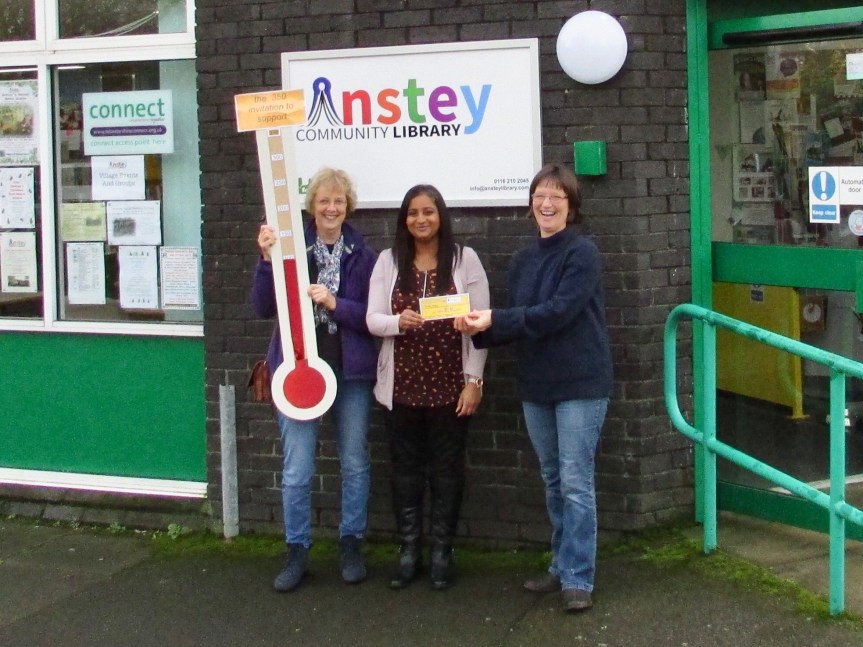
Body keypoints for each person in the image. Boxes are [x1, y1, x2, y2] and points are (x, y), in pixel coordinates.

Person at [455, 163, 613, 613]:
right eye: (540, 196)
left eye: (556, 197)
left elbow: (557, 313)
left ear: (571, 206)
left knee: (576, 482)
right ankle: (561, 566)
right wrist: (477, 328)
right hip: (537, 383)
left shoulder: (582, 254)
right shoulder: (523, 260)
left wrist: (493, 320)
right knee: (553, 479)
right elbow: (522, 321)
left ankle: (578, 577)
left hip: (580, 382)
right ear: (531, 204)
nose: (547, 204)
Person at [251, 167, 377, 592]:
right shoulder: (289, 247)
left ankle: (351, 544)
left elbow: (373, 317)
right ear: (312, 206)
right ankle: (297, 550)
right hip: (298, 369)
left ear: (348, 206)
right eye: (324, 201)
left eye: (338, 201)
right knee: (298, 467)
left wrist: (336, 303)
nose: (331, 208)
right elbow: (262, 307)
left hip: (350, 370)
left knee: (354, 462)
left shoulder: (364, 254)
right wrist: (266, 260)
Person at [366, 184, 489, 590]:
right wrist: (397, 322)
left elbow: (481, 326)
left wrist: (473, 381)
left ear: (441, 216)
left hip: (450, 389)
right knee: (404, 472)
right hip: (400, 387)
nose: (421, 219)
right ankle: (408, 550)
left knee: (447, 472)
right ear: (404, 219)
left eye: (429, 212)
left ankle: (441, 552)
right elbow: (372, 320)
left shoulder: (464, 259)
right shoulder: (388, 261)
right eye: (414, 213)